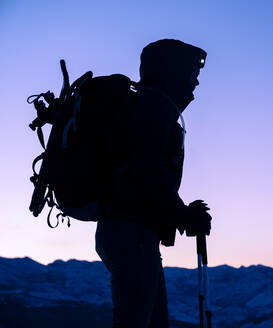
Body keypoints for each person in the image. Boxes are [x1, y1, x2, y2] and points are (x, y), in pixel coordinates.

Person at [95, 39, 212, 328]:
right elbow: (148, 171)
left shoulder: (145, 105)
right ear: (173, 72)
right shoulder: (154, 106)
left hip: (128, 233)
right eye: (191, 73)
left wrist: (181, 212)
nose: (196, 83)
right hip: (131, 233)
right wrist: (183, 215)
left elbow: (145, 172)